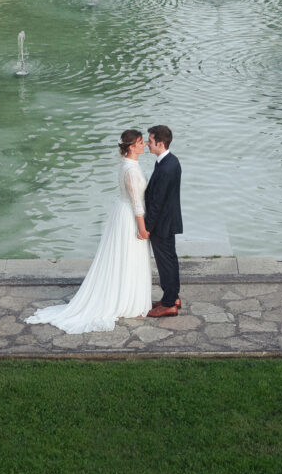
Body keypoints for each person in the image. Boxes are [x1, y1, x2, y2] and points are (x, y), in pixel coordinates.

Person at [25, 130, 151, 333]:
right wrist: (143, 228)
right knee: (129, 257)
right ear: (130, 147)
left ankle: (123, 295)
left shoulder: (127, 166)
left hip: (121, 211)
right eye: (139, 142)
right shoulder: (132, 171)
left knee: (123, 257)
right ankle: (125, 300)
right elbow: (137, 204)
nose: (144, 144)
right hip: (129, 217)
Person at [142, 125, 183, 318]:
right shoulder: (169, 161)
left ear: (160, 143)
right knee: (169, 261)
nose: (148, 144)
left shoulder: (166, 167)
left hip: (162, 224)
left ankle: (169, 304)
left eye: (150, 141)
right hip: (168, 220)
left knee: (166, 263)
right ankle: (172, 296)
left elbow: (157, 202)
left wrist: (147, 227)